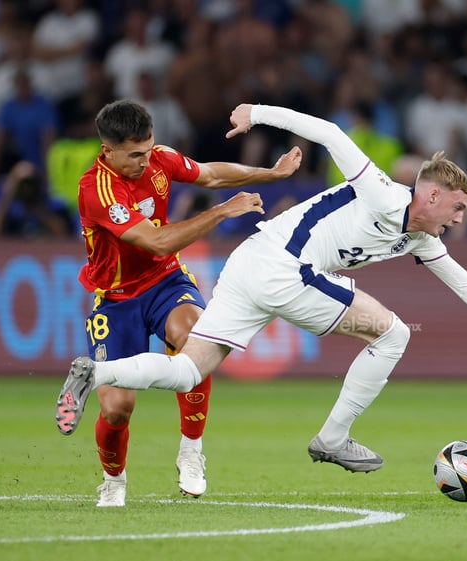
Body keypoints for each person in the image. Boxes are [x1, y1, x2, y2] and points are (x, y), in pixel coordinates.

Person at [55, 102, 467, 484]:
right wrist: (256, 112)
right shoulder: (382, 192)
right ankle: (332, 439)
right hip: (282, 270)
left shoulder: (420, 236)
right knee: (390, 334)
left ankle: (95, 372)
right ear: (430, 195)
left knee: (189, 370)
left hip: (249, 264)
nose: (459, 220)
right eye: (455, 209)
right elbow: (328, 131)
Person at [57, 99, 302, 507]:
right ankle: (114, 482)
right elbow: (156, 241)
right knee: (118, 408)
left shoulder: (159, 159)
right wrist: (223, 212)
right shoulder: (97, 190)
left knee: (195, 336)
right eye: (134, 155)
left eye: (149, 149)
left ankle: (191, 451)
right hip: (116, 300)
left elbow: (209, 173)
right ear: (108, 151)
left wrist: (271, 173)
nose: (145, 160)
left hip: (166, 281)